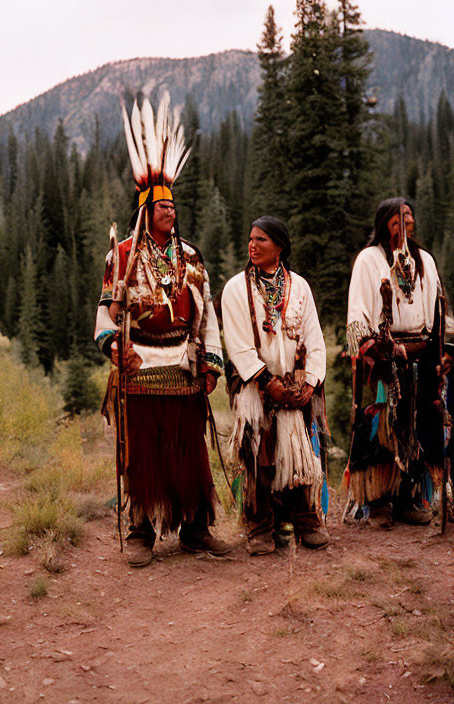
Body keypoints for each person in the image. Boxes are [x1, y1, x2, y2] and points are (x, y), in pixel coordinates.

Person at [95, 94, 230, 567]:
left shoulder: (190, 255)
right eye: (163, 207)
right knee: (142, 452)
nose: (171, 211)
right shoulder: (124, 253)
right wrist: (115, 346)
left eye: (173, 205)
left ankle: (195, 527)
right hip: (140, 362)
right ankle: (140, 531)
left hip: (183, 363)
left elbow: (206, 312)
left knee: (189, 450)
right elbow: (106, 310)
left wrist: (211, 363)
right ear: (145, 211)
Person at [222, 216, 330, 555]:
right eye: (250, 238)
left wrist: (310, 381)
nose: (252, 245)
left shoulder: (299, 286)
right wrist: (266, 381)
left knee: (303, 456)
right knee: (258, 458)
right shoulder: (236, 288)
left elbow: (314, 338)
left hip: (295, 386)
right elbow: (238, 344)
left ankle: (305, 518)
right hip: (257, 387)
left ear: (280, 247)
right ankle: (259, 525)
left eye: (262, 240)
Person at [345, 198, 447, 528]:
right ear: (384, 223)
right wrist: (372, 345)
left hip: (420, 352)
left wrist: (444, 345)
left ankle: (407, 498)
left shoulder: (425, 260)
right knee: (380, 428)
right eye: (397, 217)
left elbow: (438, 311)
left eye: (409, 216)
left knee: (417, 428)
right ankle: (377, 503)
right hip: (384, 355)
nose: (405, 222)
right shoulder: (369, 259)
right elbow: (357, 312)